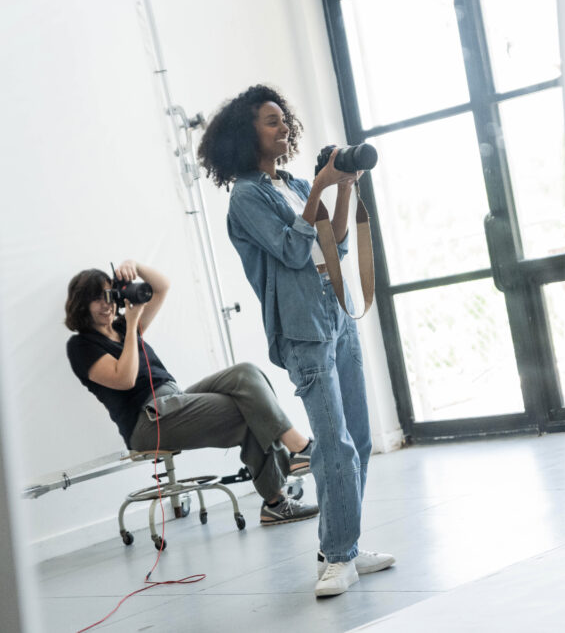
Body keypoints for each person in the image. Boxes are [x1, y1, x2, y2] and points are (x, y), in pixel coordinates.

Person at [197, 84, 394, 596]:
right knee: (334, 444)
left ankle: (344, 545)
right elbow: (289, 250)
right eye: (271, 121)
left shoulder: (291, 181)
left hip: (337, 316)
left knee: (360, 439)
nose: (284, 127)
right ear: (248, 134)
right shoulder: (246, 197)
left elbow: (338, 246)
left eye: (284, 119)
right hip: (302, 330)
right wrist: (317, 192)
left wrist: (343, 185)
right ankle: (336, 556)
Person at [64, 259, 318, 526]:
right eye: (96, 299)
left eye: (108, 295)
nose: (106, 305)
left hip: (173, 400)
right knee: (248, 407)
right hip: (146, 422)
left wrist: (135, 267)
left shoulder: (123, 328)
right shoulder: (81, 346)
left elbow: (161, 287)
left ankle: (288, 476)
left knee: (245, 374)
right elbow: (125, 379)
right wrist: (132, 325)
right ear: (82, 305)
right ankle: (297, 459)